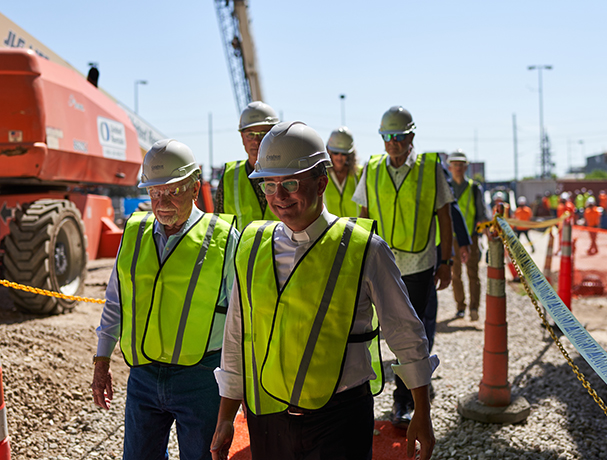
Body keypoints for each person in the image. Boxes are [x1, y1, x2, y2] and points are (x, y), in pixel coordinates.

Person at [210, 121, 438, 460]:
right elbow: (237, 335)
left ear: (320, 183)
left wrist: (422, 410)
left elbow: (404, 331)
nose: (279, 197)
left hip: (340, 418)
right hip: (267, 414)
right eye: (269, 186)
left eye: (289, 183)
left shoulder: (365, 249)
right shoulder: (252, 247)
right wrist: (226, 416)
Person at [91, 139, 239, 460]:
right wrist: (101, 361)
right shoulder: (134, 232)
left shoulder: (224, 239)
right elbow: (115, 302)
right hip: (143, 376)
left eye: (173, 190)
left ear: (195, 187)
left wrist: (234, 394)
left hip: (201, 378)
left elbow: (240, 322)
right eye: (155, 192)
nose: (162, 202)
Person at [351, 105, 453, 430]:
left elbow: (445, 216)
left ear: (411, 136)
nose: (392, 143)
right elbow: (364, 215)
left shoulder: (430, 167)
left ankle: (404, 400)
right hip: (382, 262)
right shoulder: (373, 167)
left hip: (419, 261)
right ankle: (398, 388)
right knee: (381, 330)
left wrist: (447, 261)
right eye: (386, 137)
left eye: (398, 136)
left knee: (414, 331)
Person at [215, 101, 280, 228]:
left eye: (263, 134)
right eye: (250, 134)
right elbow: (220, 226)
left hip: (282, 248)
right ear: (242, 136)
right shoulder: (229, 175)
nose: (256, 141)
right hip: (243, 248)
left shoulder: (290, 172)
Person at [447, 150, 488, 321]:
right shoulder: (446, 188)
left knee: (473, 273)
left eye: (461, 165)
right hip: (452, 238)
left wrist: (487, 233)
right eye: (455, 165)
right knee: (455, 274)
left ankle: (474, 308)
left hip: (470, 237)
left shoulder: (474, 188)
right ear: (450, 167)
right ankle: (460, 307)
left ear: (466, 167)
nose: (458, 168)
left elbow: (482, 214)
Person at [324, 126, 363, 217]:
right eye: (336, 152)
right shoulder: (321, 175)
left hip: (355, 230)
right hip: (329, 230)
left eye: (344, 153)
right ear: (329, 152)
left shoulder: (360, 174)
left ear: (350, 154)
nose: (339, 157)